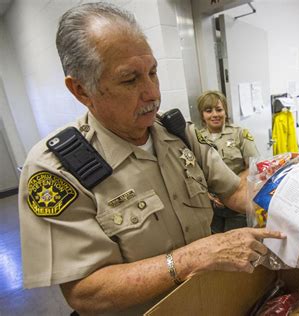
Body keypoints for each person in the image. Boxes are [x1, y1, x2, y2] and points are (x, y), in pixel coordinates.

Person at [17, 3, 284, 315]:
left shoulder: (176, 132)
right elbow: (86, 293)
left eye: (153, 72)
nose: (152, 93)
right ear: (81, 90)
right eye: (130, 80)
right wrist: (192, 257)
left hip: (211, 301)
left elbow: (235, 191)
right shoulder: (56, 170)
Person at [197, 91, 259, 233]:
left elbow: (254, 165)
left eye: (219, 110)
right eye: (208, 111)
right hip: (210, 208)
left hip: (236, 206)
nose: (215, 114)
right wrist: (207, 194)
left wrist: (234, 187)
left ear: (225, 111)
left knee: (239, 246)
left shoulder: (239, 134)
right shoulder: (196, 139)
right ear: (202, 114)